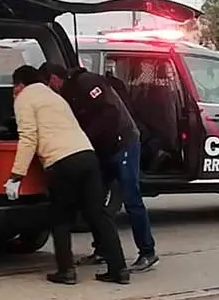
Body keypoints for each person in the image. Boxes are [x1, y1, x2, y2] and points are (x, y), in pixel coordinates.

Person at [7, 65, 130, 285]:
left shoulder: (24, 98)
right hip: (87, 155)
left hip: (61, 161)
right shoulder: (55, 97)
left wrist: (16, 175)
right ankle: (119, 269)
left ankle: (66, 271)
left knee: (61, 217)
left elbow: (28, 138)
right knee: (98, 215)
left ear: (19, 85)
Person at [40, 63, 158, 273]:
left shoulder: (88, 83)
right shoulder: (66, 94)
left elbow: (110, 113)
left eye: (48, 84)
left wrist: (86, 137)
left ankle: (147, 251)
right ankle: (102, 250)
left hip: (123, 144)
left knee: (132, 199)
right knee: (93, 202)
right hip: (100, 150)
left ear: (54, 79)